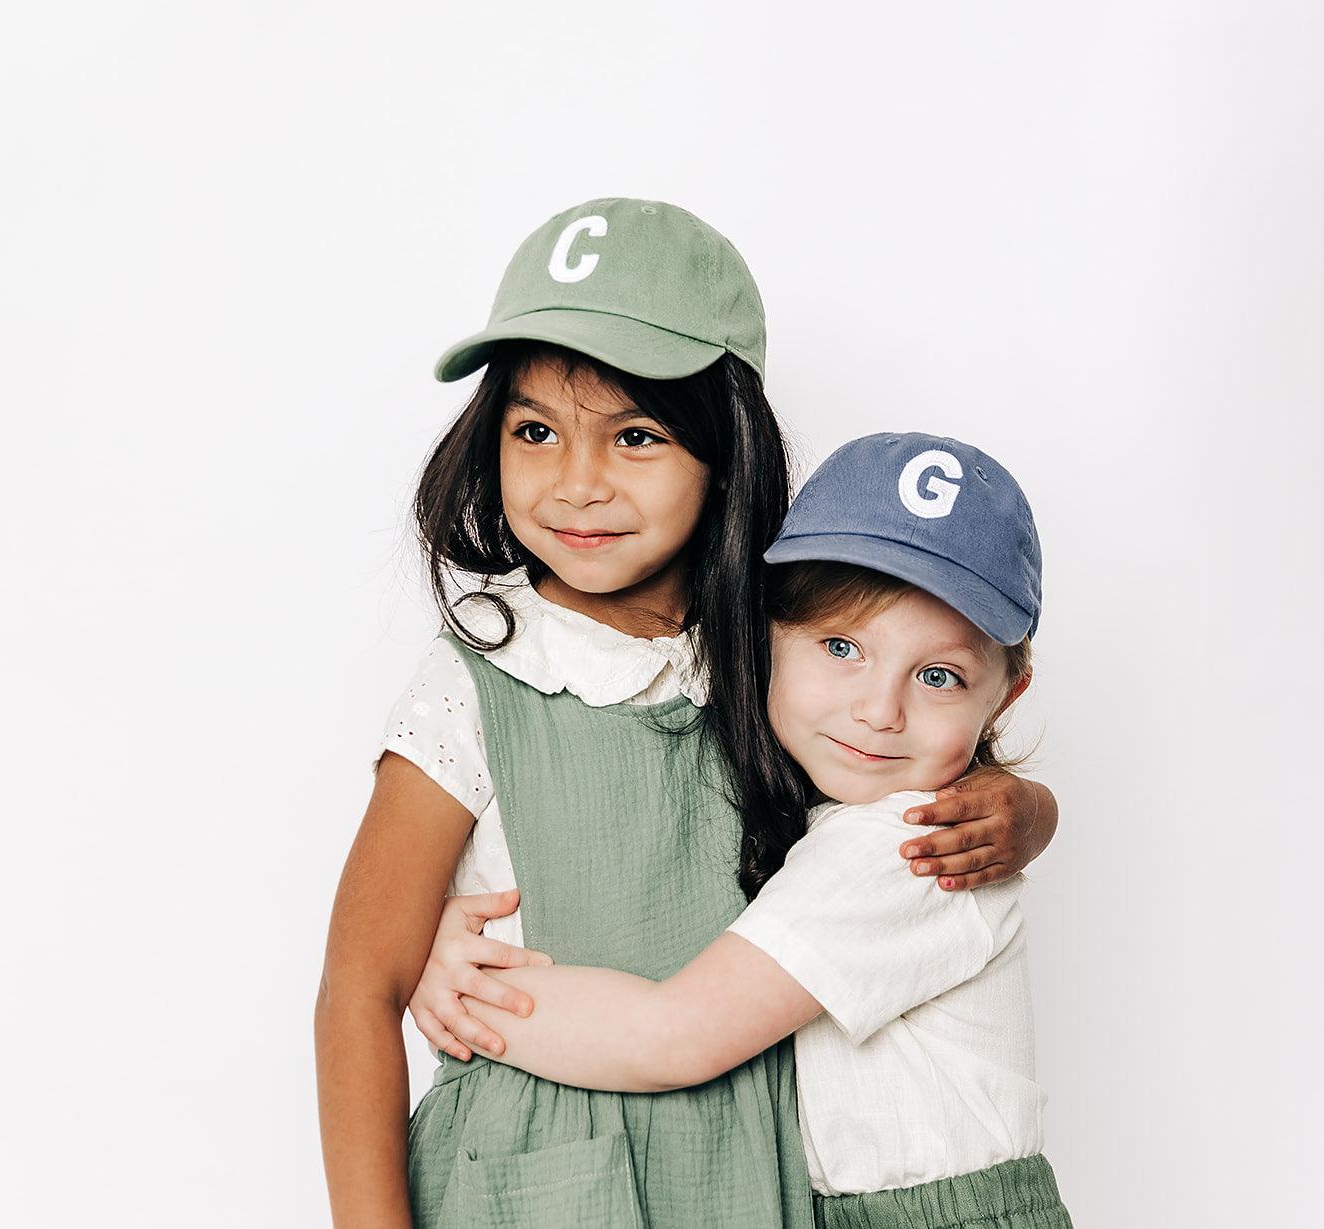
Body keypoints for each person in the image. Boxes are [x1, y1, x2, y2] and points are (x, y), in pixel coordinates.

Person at [314, 198, 1059, 1228]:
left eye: (636, 436)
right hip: (532, 1177)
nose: (578, 484)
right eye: (534, 430)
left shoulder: (782, 654)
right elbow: (359, 983)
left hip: (750, 1174)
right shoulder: (477, 676)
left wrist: (1024, 806)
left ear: (726, 451)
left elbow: (906, 768)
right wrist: (426, 951)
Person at [412, 433, 1073, 1229]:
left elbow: (674, 1037)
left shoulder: (908, 844)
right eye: (842, 646)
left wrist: (457, 986)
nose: (879, 710)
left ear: (1005, 697)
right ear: (766, 631)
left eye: (939, 676)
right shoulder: (826, 805)